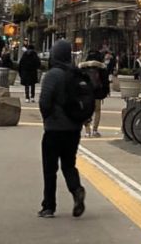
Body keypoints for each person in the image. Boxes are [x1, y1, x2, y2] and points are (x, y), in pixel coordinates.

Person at [38, 39, 86, 219]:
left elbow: (44, 101)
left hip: (54, 129)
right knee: (69, 164)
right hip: (73, 129)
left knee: (50, 169)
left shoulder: (53, 74)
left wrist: (48, 118)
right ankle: (76, 189)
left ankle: (49, 206)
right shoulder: (76, 73)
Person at [79, 49, 110, 137]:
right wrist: (106, 91)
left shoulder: (83, 67)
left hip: (86, 92)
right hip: (98, 92)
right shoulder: (101, 67)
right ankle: (95, 130)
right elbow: (105, 81)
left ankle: (87, 131)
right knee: (97, 111)